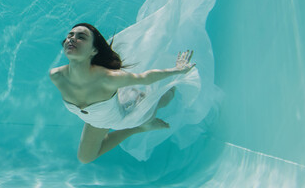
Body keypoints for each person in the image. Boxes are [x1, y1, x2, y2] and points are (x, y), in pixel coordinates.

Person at [49, 23, 195, 164]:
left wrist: (177, 70)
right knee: (85, 158)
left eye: (81, 36)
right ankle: (138, 129)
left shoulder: (107, 78)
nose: (72, 39)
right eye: (70, 35)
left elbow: (145, 78)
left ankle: (171, 89)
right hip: (97, 120)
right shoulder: (56, 76)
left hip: (122, 115)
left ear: (94, 50)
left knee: (162, 100)